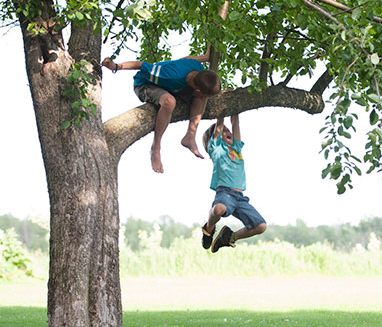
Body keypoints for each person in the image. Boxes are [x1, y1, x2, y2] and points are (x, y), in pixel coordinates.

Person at [101, 46, 221, 173]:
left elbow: (186, 59)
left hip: (176, 87)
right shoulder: (170, 75)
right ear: (197, 90)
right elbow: (142, 65)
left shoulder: (198, 68)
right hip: (145, 85)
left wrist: (205, 58)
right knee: (170, 102)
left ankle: (190, 136)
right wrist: (116, 66)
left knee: (201, 99)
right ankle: (156, 147)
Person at [201, 114, 267, 253]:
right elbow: (219, 126)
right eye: (224, 131)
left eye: (228, 130)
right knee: (218, 209)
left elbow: (235, 121)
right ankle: (209, 227)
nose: (228, 132)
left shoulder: (236, 147)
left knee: (261, 226)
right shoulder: (216, 148)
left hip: (240, 197)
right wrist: (222, 112)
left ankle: (229, 237)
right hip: (225, 193)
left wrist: (235, 110)